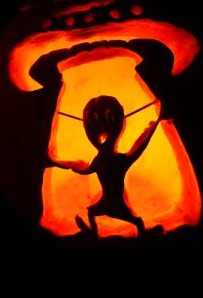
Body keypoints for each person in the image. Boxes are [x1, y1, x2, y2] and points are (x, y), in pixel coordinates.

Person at [51, 94, 161, 237]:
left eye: (110, 117)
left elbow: (140, 147)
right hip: (105, 201)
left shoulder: (119, 161)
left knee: (133, 220)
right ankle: (95, 233)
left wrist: (153, 127)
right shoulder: (102, 161)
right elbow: (83, 169)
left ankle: (141, 232)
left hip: (116, 201)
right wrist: (58, 162)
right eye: (92, 119)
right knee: (92, 212)